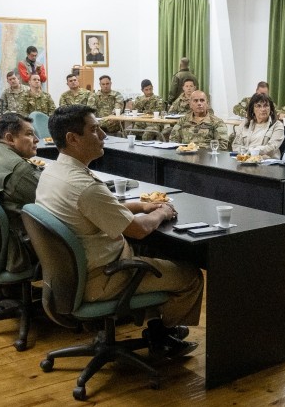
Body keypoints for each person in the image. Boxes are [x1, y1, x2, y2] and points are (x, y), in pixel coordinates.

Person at [36, 105, 203, 358]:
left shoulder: (55, 172)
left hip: (73, 275)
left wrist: (141, 205)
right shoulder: (84, 185)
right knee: (190, 276)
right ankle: (163, 337)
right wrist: (161, 212)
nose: (103, 135)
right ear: (72, 138)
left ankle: (158, 329)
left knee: (156, 252)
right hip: (104, 277)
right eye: (94, 129)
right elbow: (137, 229)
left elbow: (93, 209)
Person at [0, 113, 41, 273]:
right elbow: (53, 205)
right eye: (29, 134)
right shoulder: (19, 170)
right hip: (19, 249)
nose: (36, 140)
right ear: (10, 139)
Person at [231, 93, 285, 159]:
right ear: (252, 109)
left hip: (267, 164)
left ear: (270, 108)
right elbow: (236, 145)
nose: (263, 109)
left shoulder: (277, 125)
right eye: (258, 106)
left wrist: (249, 151)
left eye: (266, 106)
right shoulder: (245, 123)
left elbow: (271, 148)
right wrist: (248, 154)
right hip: (245, 161)